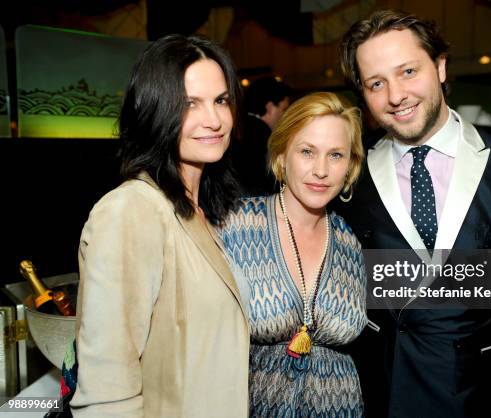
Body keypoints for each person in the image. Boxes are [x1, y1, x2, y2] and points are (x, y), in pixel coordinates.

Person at [337, 9, 491, 418]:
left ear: (441, 66)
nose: (396, 95)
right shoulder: (349, 171)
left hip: (486, 394)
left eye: (409, 71)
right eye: (377, 83)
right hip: (382, 393)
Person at [68, 34, 249, 417]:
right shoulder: (131, 210)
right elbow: (106, 389)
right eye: (189, 104)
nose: (214, 120)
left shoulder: (202, 212)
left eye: (220, 100)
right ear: (155, 111)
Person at [218, 92, 368, 416]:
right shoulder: (236, 226)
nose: (321, 170)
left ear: (350, 166)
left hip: (341, 407)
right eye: (307, 151)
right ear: (283, 154)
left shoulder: (351, 242)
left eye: (336, 155)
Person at [232, 76, 292, 196]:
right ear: (270, 107)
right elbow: (271, 181)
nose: (286, 116)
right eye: (284, 109)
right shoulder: (264, 136)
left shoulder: (239, 128)